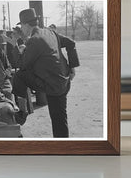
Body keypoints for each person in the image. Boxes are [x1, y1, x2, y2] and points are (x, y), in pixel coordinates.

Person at [12, 8, 80, 137]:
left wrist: (15, 46)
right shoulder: (50, 32)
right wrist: (72, 67)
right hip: (63, 81)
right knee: (60, 120)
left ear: (26, 25)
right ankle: (63, 147)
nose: (22, 30)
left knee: (19, 76)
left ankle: (22, 112)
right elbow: (71, 43)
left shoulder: (34, 40)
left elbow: (21, 65)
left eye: (22, 27)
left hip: (52, 86)